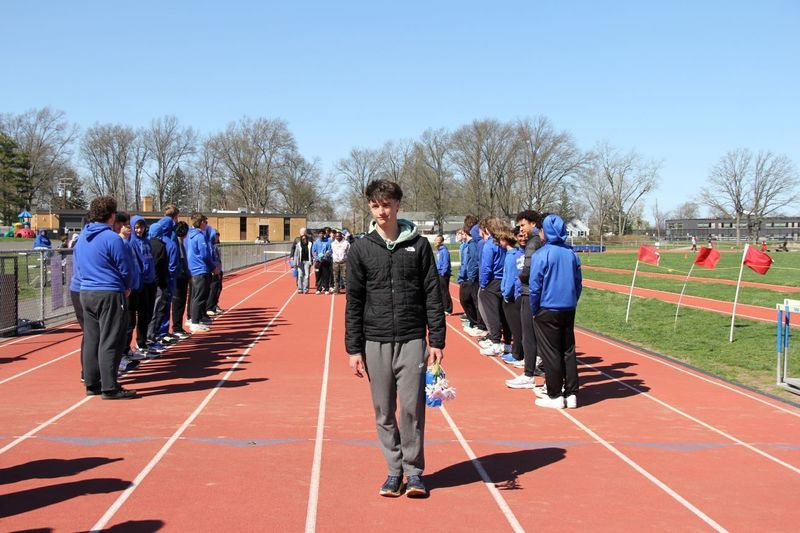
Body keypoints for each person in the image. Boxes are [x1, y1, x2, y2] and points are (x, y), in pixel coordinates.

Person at [345, 179, 445, 499]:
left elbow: (433, 294)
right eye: (375, 205)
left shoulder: (419, 246)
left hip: (412, 337)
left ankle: (414, 472)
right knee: (384, 410)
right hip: (374, 341)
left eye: (386, 204)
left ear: (398, 205)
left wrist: (437, 339)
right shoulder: (361, 248)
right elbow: (354, 301)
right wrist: (353, 348)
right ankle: (393, 470)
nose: (381, 211)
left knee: (412, 408)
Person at [74, 196, 135, 399]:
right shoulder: (112, 238)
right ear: (111, 216)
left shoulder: (83, 236)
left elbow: (78, 264)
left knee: (92, 339)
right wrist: (127, 287)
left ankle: (92, 383)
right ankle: (110, 386)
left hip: (86, 291)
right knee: (111, 338)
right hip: (108, 292)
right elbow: (125, 267)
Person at [530, 214, 583, 409]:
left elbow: (535, 286)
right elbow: (578, 283)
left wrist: (534, 309)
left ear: (545, 231)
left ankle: (554, 395)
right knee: (568, 350)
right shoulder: (571, 254)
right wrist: (572, 300)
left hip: (547, 307)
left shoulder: (541, 255)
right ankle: (571, 393)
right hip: (568, 308)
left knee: (551, 352)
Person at [505, 210, 545, 389]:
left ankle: (529, 374)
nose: (521, 229)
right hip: (538, 293)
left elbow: (528, 272)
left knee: (529, 335)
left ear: (533, 224)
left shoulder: (533, 243)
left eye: (523, 225)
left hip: (530, 293)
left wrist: (522, 278)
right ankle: (536, 369)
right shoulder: (542, 242)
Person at [478, 217, 509, 357]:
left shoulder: (490, 245)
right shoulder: (505, 242)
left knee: (492, 313)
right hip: (505, 280)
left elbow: (486, 267)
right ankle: (507, 343)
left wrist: (483, 284)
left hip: (493, 281)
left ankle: (496, 342)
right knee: (505, 314)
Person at [186, 212, 218, 333]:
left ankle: (196, 319)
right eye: (205, 222)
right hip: (200, 269)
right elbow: (204, 254)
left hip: (195, 269)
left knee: (197, 295)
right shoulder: (199, 237)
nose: (207, 224)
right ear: (201, 223)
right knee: (199, 296)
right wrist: (212, 267)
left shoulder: (191, 235)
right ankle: (195, 321)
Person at [498, 227, 524, 366]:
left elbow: (511, 277)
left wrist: (506, 294)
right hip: (512, 294)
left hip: (512, 296)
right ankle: (517, 352)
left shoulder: (512, 256)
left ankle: (518, 354)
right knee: (516, 327)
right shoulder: (514, 254)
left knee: (516, 328)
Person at [456, 227, 483, 336]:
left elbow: (474, 261)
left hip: (470, 278)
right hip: (466, 276)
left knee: (468, 299)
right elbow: (464, 262)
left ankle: (477, 323)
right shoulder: (466, 245)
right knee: (467, 300)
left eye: (460, 233)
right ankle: (474, 322)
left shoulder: (472, 245)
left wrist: (470, 276)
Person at [171, 221, 192, 339]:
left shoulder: (181, 243)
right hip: (179, 277)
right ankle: (177, 327)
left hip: (183, 275)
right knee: (178, 302)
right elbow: (180, 260)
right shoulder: (176, 243)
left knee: (181, 301)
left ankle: (178, 326)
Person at [434, 234, 453, 315]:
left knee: (444, 292)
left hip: (443, 274)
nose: (435, 241)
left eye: (437, 240)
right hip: (439, 273)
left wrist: (442, 273)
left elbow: (446, 263)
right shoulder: (439, 250)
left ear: (441, 242)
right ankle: (443, 307)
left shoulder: (444, 251)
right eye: (435, 240)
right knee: (441, 292)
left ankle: (448, 309)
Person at [312, 229, 332, 294]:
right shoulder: (316, 242)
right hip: (318, 262)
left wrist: (326, 255)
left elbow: (330, 250)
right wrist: (317, 257)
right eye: (320, 233)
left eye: (322, 233)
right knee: (318, 276)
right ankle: (319, 289)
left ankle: (326, 289)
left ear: (324, 234)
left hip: (326, 261)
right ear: (318, 234)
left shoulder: (328, 241)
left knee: (326, 275)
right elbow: (314, 251)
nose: (321, 234)